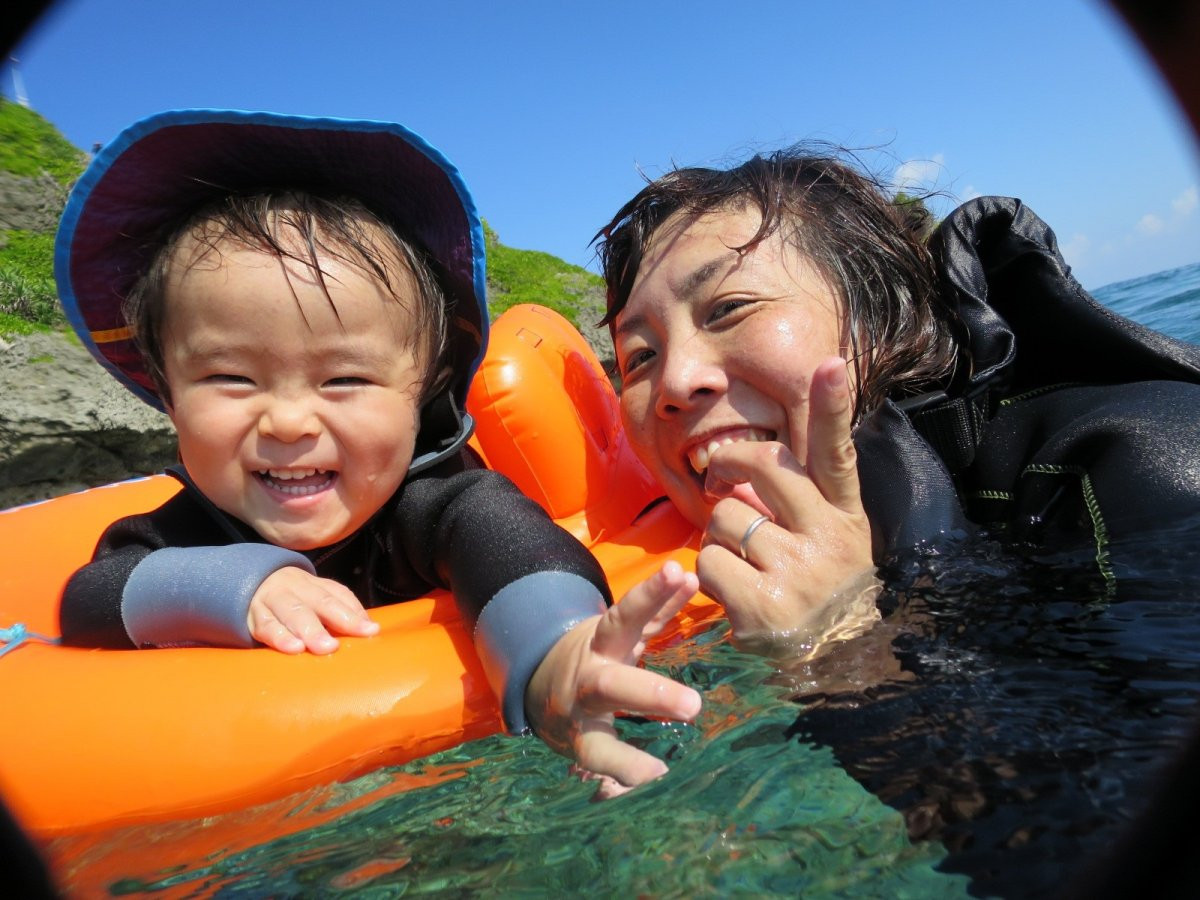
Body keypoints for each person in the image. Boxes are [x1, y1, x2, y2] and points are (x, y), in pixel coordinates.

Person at [55, 109, 701, 793]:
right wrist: (237, 585)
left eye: (345, 379)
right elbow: (90, 596)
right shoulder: (186, 530)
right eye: (230, 378)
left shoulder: (438, 501)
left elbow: (510, 545)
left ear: (421, 389)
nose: (288, 420)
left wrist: (556, 655)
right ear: (166, 387)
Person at [594, 147, 1200, 653]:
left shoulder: (1142, 465)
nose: (674, 383)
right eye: (639, 357)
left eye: (729, 308)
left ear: (879, 318)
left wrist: (841, 644)